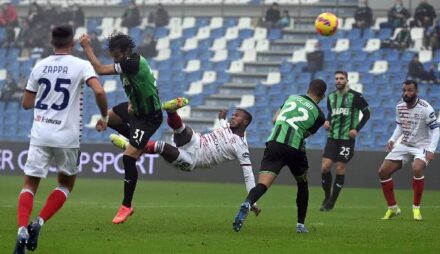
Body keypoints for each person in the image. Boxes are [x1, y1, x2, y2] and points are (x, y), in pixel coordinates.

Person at [12, 25, 108, 254]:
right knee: (65, 185)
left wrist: (47, 100)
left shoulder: (39, 66)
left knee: (29, 186)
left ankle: (21, 230)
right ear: (72, 44)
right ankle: (40, 221)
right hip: (67, 137)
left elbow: (26, 103)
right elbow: (100, 92)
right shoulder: (82, 65)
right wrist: (104, 115)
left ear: (50, 42)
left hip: (40, 135)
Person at [110, 104, 262, 215]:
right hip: (196, 141)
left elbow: (248, 175)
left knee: (161, 146)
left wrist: (252, 201)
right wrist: (221, 118)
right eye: (233, 114)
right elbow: (225, 126)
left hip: (193, 159)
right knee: (183, 130)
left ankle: (135, 148)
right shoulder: (228, 126)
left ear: (245, 122)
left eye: (237, 115)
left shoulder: (242, 147)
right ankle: (171, 111)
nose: (232, 116)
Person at [80, 32, 164, 224]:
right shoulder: (129, 61)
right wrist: (131, 101)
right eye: (113, 56)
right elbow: (142, 86)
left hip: (149, 118)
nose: (115, 59)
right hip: (136, 111)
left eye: (117, 56)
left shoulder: (132, 64)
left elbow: (100, 69)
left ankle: (126, 205)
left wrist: (87, 47)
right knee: (107, 119)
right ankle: (139, 143)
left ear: (127, 51)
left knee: (128, 158)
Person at [232, 79, 327, 233]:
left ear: (308, 89)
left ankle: (248, 203)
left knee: (262, 185)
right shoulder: (320, 116)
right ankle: (300, 225)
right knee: (302, 183)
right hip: (294, 148)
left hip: (274, 143)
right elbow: (306, 133)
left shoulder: (291, 98)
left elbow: (275, 119)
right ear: (322, 96)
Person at [378, 80, 440, 221]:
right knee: (383, 172)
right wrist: (393, 139)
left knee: (416, 168)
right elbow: (400, 126)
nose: (406, 93)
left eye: (410, 90)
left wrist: (431, 149)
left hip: (422, 146)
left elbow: (436, 130)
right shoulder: (399, 106)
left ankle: (416, 209)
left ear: (416, 91)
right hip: (405, 144)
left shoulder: (426, 108)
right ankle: (393, 208)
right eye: (404, 90)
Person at [320, 71, 371, 212]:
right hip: (332, 137)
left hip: (347, 139)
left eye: (341, 78)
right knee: (325, 167)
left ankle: (331, 202)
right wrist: (327, 121)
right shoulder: (330, 97)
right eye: (336, 78)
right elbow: (331, 113)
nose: (338, 81)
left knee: (340, 168)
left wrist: (357, 129)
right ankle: (327, 196)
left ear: (347, 80)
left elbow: (367, 113)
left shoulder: (355, 96)